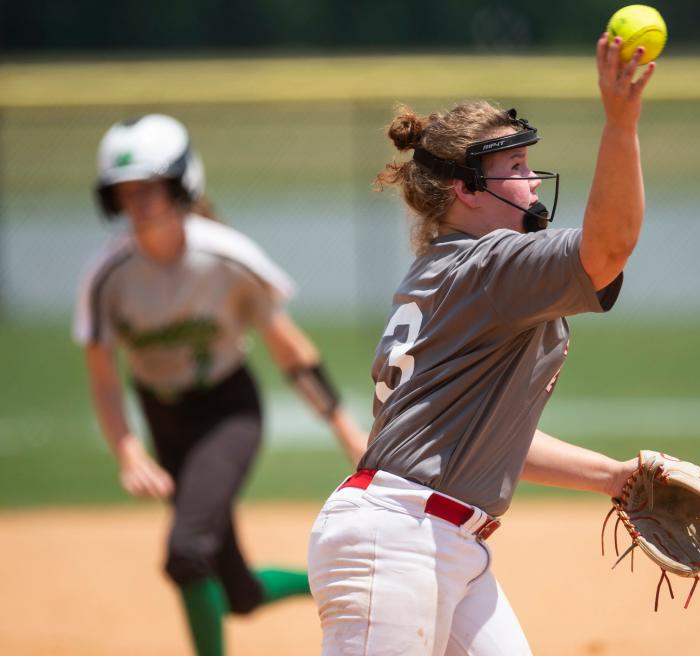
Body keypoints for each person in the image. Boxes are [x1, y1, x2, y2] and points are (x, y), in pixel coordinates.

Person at [307, 33, 656, 655]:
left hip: (435, 540)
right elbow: (608, 246)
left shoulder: (441, 271)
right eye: (514, 171)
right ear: (468, 190)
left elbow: (486, 438)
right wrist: (621, 121)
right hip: (400, 540)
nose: (530, 183)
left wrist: (613, 478)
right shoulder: (490, 265)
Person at [73, 113, 369, 656]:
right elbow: (106, 379)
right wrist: (126, 448)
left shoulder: (225, 258)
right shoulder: (107, 277)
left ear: (183, 183)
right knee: (237, 593)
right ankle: (351, 587)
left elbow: (292, 353)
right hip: (163, 418)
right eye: (125, 191)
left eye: (150, 187)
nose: (137, 202)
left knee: (186, 551)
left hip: (228, 412)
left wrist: (347, 431)